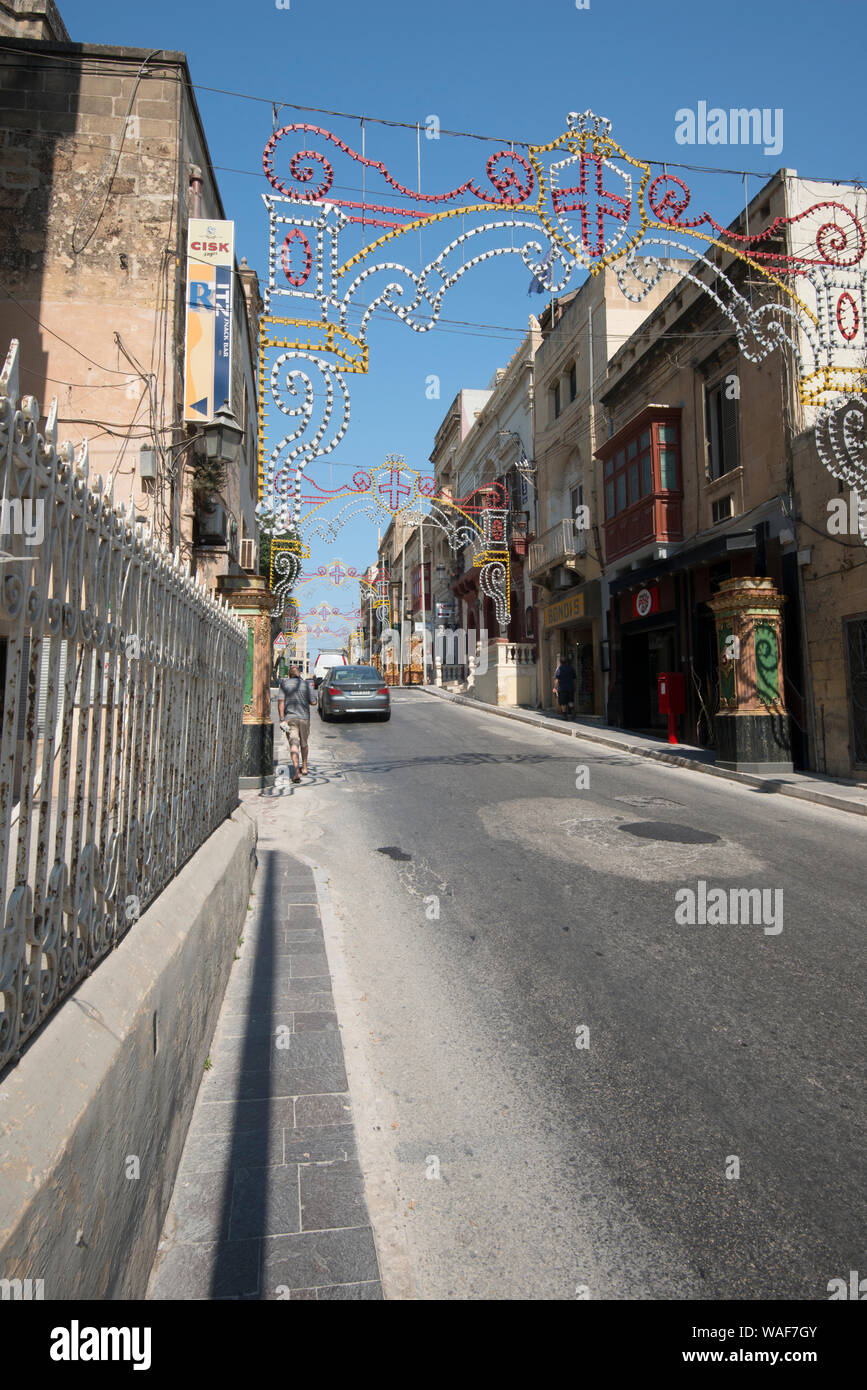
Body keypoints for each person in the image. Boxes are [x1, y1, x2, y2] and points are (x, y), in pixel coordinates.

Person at [278, 663, 317, 784]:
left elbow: (281, 702)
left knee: (293, 743)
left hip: (290, 719)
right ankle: (304, 767)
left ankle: (295, 772)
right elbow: (314, 702)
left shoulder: (284, 685)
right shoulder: (306, 685)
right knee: (304, 743)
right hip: (304, 718)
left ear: (289, 674)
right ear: (299, 674)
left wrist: (281, 718)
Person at [553, 653, 576, 720]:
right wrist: (574, 686)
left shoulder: (559, 669)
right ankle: (573, 713)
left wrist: (554, 687)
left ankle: (565, 716)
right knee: (570, 701)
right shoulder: (571, 668)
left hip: (562, 688)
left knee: (563, 703)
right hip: (570, 687)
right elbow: (574, 679)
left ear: (560, 662)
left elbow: (557, 679)